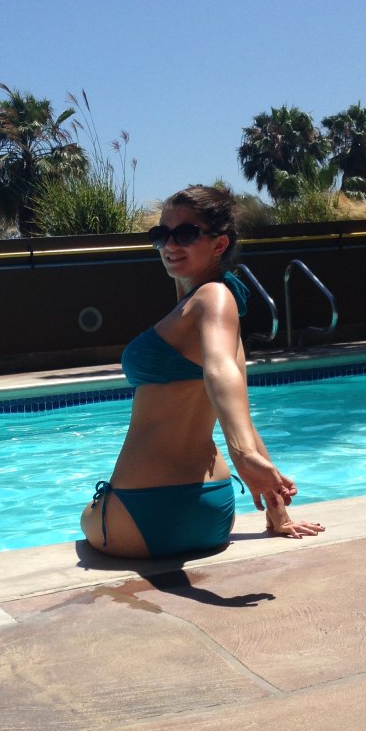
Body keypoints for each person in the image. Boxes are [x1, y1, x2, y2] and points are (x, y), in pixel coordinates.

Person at [81, 184, 325, 558]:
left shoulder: (213, 297)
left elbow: (220, 372)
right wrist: (278, 513)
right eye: (161, 234)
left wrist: (243, 452)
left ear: (219, 244)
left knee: (87, 517)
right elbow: (234, 392)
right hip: (212, 513)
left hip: (141, 513)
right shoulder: (218, 315)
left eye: (186, 234)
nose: (170, 245)